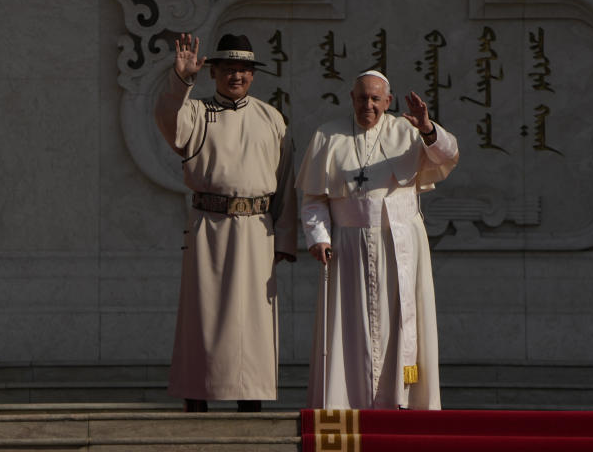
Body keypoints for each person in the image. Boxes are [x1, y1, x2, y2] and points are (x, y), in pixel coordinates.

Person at [296, 70, 458, 410]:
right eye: (361, 97)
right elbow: (313, 198)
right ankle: (346, 402)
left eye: (375, 98)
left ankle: (403, 400)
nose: (367, 105)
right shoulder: (328, 136)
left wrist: (428, 128)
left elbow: (447, 157)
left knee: (400, 325)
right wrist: (319, 237)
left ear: (388, 101)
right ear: (351, 98)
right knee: (348, 328)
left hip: (400, 245)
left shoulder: (407, 131)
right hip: (347, 249)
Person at [154, 32, 297, 413]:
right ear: (214, 72)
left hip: (256, 228)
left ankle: (250, 399)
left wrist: (284, 237)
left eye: (244, 70)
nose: (237, 76)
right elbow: (168, 120)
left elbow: (285, 185)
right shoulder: (197, 112)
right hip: (209, 226)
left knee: (252, 318)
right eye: (229, 69)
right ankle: (196, 396)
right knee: (204, 313)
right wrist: (182, 80)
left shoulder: (272, 118)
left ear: (253, 75)